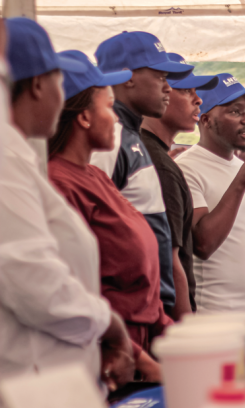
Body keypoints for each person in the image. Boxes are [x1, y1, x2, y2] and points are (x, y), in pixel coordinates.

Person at [2, 18, 134, 391]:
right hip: (35, 384)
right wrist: (108, 324)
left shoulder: (20, 158)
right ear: (40, 85)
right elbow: (32, 278)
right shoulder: (7, 162)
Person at [48, 50, 170, 382]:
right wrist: (144, 362)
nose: (116, 119)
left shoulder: (95, 176)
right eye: (107, 107)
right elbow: (73, 291)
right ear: (84, 117)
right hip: (111, 354)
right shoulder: (59, 182)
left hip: (139, 341)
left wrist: (171, 332)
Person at [175, 73, 245, 343]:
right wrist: (239, 186)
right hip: (216, 323)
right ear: (205, 119)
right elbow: (203, 243)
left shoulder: (242, 169)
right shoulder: (186, 168)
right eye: (235, 111)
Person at [90, 31, 194, 316]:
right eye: (160, 77)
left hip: (150, 311)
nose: (168, 88)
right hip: (128, 314)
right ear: (127, 77)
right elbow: (91, 229)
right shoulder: (109, 138)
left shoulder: (130, 135)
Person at [140, 53, 219, 320]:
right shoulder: (159, 164)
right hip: (168, 320)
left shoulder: (155, 155)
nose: (198, 100)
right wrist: (186, 327)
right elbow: (170, 260)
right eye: (186, 91)